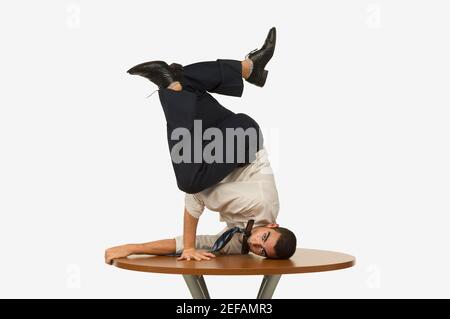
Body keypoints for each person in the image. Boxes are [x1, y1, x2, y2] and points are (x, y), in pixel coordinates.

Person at [105, 27, 297, 264]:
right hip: (243, 138)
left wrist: (132, 248)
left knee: (184, 86)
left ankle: (247, 68)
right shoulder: (259, 203)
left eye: (262, 251)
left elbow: (198, 243)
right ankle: (174, 87)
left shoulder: (241, 242)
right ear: (273, 225)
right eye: (265, 237)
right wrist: (188, 247)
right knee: (190, 181)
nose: (257, 244)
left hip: (220, 145)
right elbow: (197, 196)